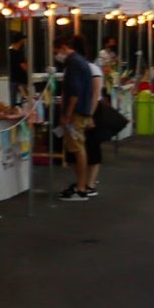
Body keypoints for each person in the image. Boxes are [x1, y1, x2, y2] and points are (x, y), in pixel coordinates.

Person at [53, 32, 99, 201]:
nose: (56, 55)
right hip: (82, 111)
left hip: (76, 113)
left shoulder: (73, 63)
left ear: (64, 48)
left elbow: (74, 92)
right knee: (77, 148)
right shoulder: (81, 62)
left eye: (56, 51)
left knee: (78, 148)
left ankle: (81, 187)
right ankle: (81, 183)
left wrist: (67, 114)